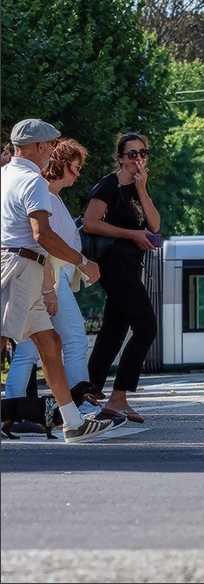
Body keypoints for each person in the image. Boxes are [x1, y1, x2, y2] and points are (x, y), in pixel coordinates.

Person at [1, 119, 113, 442]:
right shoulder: (33, 181)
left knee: (51, 345)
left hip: (25, 268)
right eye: (49, 145)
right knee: (4, 340)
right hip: (20, 267)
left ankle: (72, 421)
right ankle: (72, 419)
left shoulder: (6, 174)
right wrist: (83, 261)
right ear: (38, 147)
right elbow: (42, 235)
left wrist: (47, 283)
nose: (51, 151)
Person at [6, 139, 97, 413]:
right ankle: (82, 407)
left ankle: (13, 408)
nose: (78, 174)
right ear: (61, 163)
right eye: (75, 167)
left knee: (28, 349)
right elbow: (43, 241)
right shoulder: (44, 192)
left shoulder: (51, 195)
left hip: (44, 278)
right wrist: (52, 288)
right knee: (74, 341)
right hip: (51, 280)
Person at [83, 132, 161, 424]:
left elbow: (154, 224)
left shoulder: (137, 187)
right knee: (146, 327)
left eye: (143, 153)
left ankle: (87, 389)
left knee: (114, 329)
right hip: (114, 265)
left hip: (131, 266)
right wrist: (131, 234)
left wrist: (142, 188)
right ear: (120, 158)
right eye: (132, 154)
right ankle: (118, 397)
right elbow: (90, 223)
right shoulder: (109, 184)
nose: (138, 159)